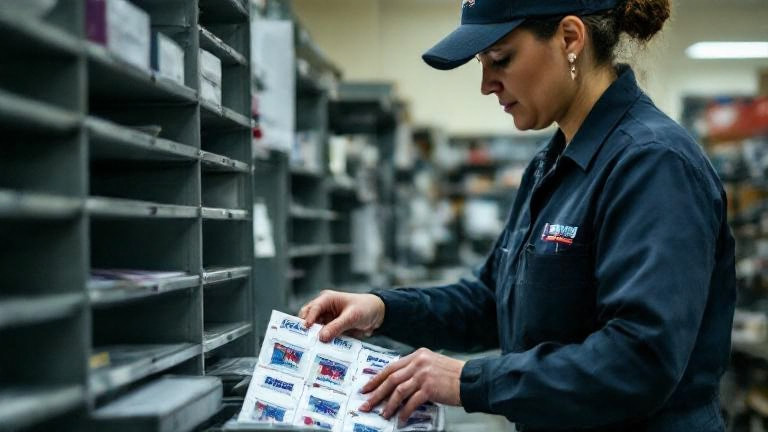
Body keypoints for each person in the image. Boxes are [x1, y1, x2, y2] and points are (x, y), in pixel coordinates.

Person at [300, 0, 736, 430]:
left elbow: (640, 360)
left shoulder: (653, 164)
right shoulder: (552, 165)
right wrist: (383, 309)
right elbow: (494, 301)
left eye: (500, 59)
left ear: (570, 38)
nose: (487, 84)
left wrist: (468, 379)